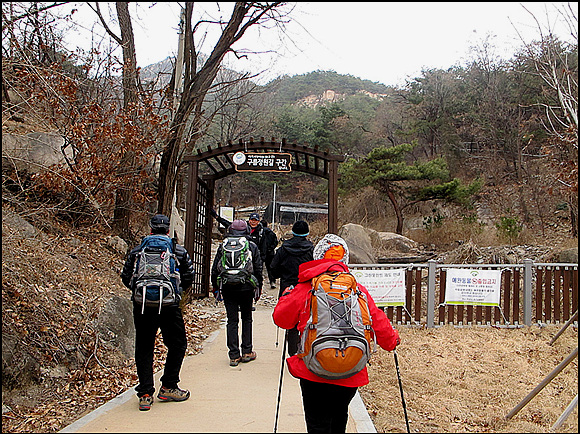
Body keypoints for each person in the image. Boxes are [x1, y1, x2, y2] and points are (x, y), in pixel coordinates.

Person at [272, 233, 401, 433]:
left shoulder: (306, 287)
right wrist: (393, 341)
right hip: (350, 369)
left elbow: (282, 319)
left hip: (313, 370)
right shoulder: (356, 289)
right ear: (345, 260)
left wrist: (286, 296)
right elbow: (378, 321)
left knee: (317, 423)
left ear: (317, 257)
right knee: (339, 417)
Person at [121, 214, 195, 411]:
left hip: (143, 304)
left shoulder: (138, 251)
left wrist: (140, 292)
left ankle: (145, 393)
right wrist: (175, 292)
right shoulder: (177, 250)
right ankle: (169, 386)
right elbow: (189, 275)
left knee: (144, 346)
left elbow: (126, 275)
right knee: (178, 344)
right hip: (169, 305)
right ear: (168, 231)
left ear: (151, 229)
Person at [211, 219, 263, 366]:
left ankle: (234, 355)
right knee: (247, 318)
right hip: (246, 286)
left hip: (228, 286)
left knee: (232, 320)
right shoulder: (251, 246)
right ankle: (247, 351)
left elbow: (215, 269)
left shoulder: (223, 246)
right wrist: (258, 288)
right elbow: (258, 269)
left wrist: (216, 288)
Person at [269, 220, 314, 355]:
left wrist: (281, 275)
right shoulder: (311, 249)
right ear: (306, 233)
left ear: (293, 232)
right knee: (306, 318)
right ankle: (304, 349)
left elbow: (273, 268)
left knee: (292, 320)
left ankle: (292, 351)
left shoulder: (283, 249)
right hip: (306, 287)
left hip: (287, 287)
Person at [210, 209, 277, 289]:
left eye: (255, 220)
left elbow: (264, 247)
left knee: (251, 279)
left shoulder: (262, 232)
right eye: (252, 220)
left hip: (254, 258)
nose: (253, 222)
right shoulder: (242, 229)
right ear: (249, 220)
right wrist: (217, 217)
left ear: (258, 221)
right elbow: (228, 224)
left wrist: (262, 259)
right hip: (241, 257)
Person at [260, 218, 279, 289]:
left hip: (261, 253)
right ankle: (272, 281)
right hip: (270, 253)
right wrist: (271, 248)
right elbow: (275, 242)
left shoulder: (260, 233)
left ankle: (259, 283)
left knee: (259, 268)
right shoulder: (272, 233)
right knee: (270, 268)